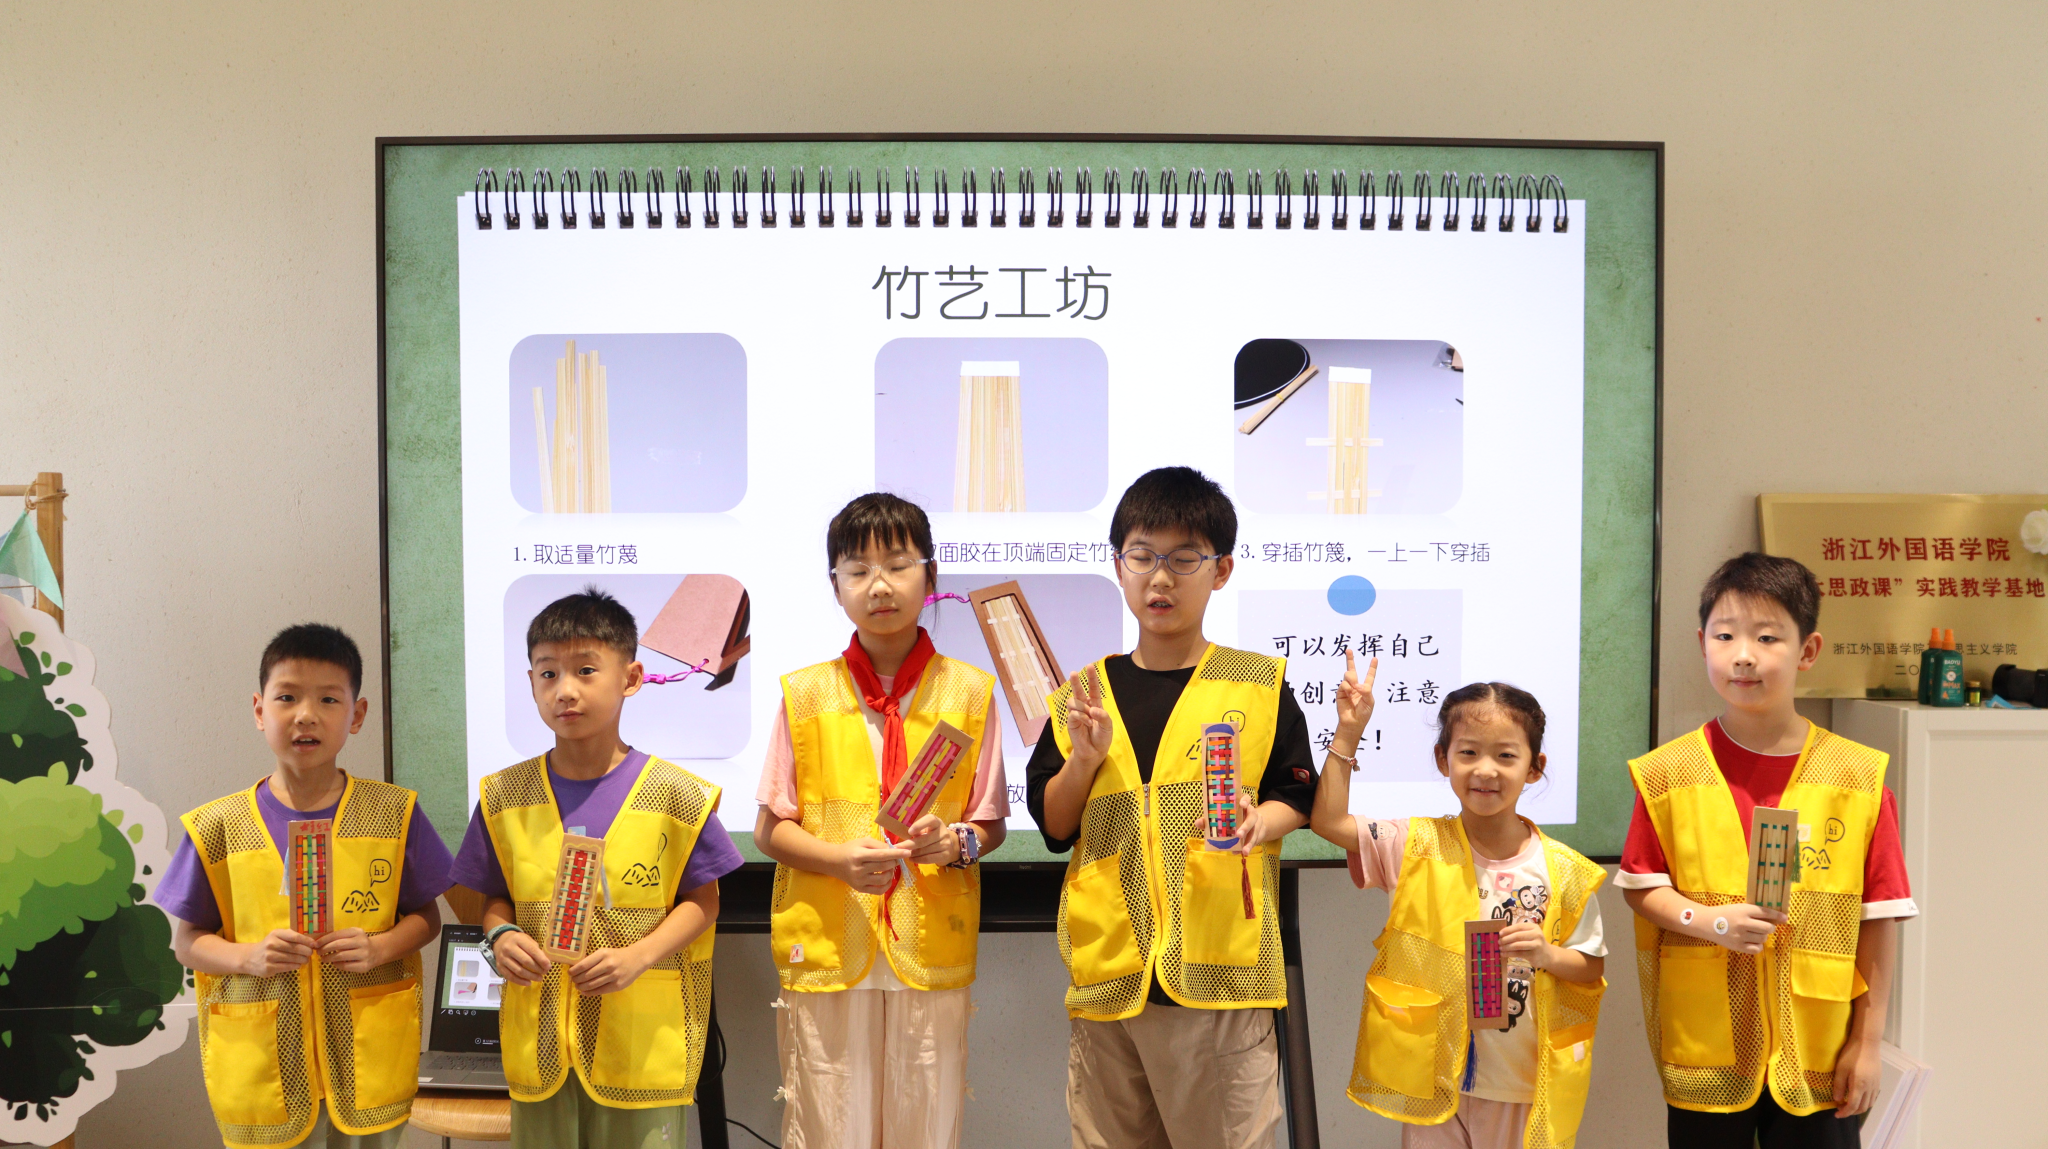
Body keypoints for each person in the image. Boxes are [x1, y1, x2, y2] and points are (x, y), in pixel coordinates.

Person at [1026, 465, 1320, 1149]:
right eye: (1143, 556)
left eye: (1184, 558)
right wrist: (1082, 760)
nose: (1160, 577)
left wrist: (1260, 823)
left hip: (1221, 972)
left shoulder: (1257, 684)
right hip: (1111, 973)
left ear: (1221, 570)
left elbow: (1297, 793)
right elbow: (1055, 825)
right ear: (1119, 566)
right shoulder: (1081, 694)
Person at [1620, 553, 1915, 1148]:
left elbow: (1879, 917)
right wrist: (1708, 921)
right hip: (1709, 1047)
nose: (1743, 655)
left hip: (1820, 1049)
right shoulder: (1667, 773)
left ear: (1808, 650)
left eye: (1767, 637)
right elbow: (1641, 888)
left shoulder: (1858, 778)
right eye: (1725, 636)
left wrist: (1867, 1043)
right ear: (1701, 643)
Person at [756, 492, 1010, 1149]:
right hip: (827, 939)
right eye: (858, 569)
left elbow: (988, 824)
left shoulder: (970, 691)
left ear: (930, 575)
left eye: (897, 565)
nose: (879, 584)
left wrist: (952, 842)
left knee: (925, 1125)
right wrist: (838, 860)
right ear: (835, 585)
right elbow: (770, 828)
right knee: (827, 1126)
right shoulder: (805, 693)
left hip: (929, 940)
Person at [448, 587, 743, 1149]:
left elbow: (704, 903)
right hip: (541, 1044)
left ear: (631, 678)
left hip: (641, 1044)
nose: (565, 690)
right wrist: (500, 936)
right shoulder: (504, 796)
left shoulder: (677, 795)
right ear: (531, 683)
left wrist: (639, 956)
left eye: (585, 670)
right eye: (548, 674)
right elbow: (493, 898)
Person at [160, 623, 454, 1149]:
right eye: (287, 697)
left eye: (328, 699)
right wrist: (248, 957)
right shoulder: (218, 827)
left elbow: (426, 917)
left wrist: (380, 947)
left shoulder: (394, 813)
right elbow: (187, 943)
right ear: (259, 710)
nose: (306, 714)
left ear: (356, 715)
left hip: (368, 1061)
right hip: (263, 1068)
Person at [1311, 663, 1608, 1149]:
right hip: (1432, 1079)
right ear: (1443, 758)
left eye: (1506, 755)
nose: (1485, 770)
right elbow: (1328, 822)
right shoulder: (1414, 844)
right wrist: (1349, 731)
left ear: (1534, 767)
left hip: (1518, 1084)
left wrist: (1546, 954)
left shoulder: (1565, 871)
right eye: (1468, 752)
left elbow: (1591, 965)